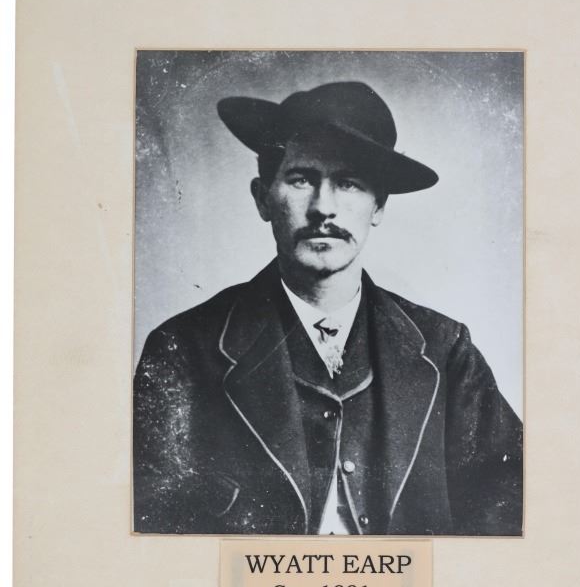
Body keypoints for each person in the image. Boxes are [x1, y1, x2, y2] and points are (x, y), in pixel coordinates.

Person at [133, 81, 523, 536]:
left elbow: (509, 508)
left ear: (378, 206)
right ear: (263, 198)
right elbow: (154, 534)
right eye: (301, 179)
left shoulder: (445, 350)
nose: (323, 208)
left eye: (349, 183)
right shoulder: (183, 350)